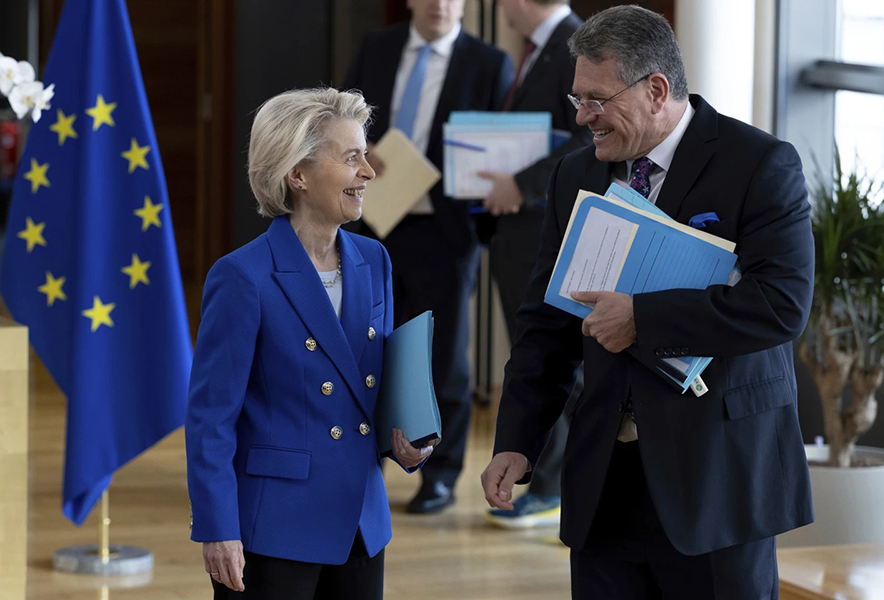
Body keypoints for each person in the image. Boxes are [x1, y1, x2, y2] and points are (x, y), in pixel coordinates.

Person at [481, 6, 815, 598]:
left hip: (716, 484)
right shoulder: (573, 175)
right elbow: (546, 326)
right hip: (604, 486)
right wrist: (517, 439)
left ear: (656, 89)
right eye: (577, 98)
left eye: (597, 100)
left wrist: (644, 318)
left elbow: (781, 305)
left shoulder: (759, 164)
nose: (583, 117)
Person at [185, 88, 430, 600]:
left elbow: (369, 388)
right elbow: (211, 417)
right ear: (298, 174)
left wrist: (404, 442)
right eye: (351, 158)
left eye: (365, 155)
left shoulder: (374, 260)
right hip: (274, 528)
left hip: (361, 521)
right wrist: (217, 527)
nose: (369, 171)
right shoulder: (241, 277)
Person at [343, 0, 514, 514]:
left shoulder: (488, 62)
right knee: (363, 341)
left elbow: (495, 147)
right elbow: (344, 120)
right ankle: (362, 457)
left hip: (445, 231)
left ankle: (440, 472)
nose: (440, 4)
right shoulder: (378, 46)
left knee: (443, 358)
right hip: (374, 222)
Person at [479, 0, 591, 530]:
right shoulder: (534, 51)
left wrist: (521, 186)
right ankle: (548, 481)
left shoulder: (574, 46)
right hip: (517, 228)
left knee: (552, 356)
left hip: (545, 222)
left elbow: (586, 137)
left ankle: (550, 487)